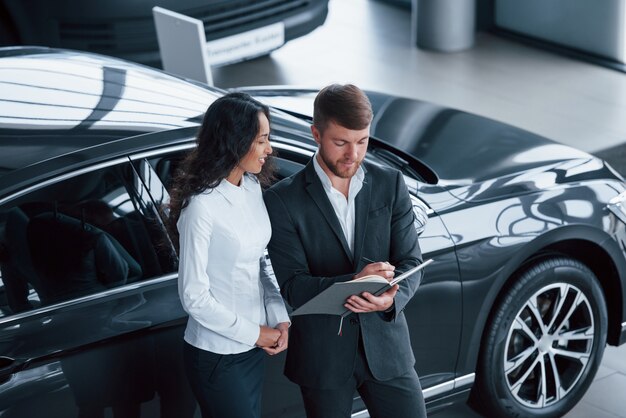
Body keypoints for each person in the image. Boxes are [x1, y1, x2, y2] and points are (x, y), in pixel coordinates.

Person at [264, 84, 427, 418]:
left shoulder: (390, 183)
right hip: (323, 357)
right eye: (341, 143)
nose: (353, 154)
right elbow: (293, 285)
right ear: (316, 134)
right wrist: (354, 281)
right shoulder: (281, 200)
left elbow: (412, 262)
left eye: (362, 141)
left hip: (387, 347)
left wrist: (391, 299)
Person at [168, 92, 290, 418]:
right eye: (262, 140)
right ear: (236, 141)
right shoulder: (201, 208)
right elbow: (193, 296)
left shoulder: (250, 187)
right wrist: (256, 332)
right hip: (217, 355)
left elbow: (260, 261)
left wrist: (279, 317)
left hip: (253, 348)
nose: (269, 149)